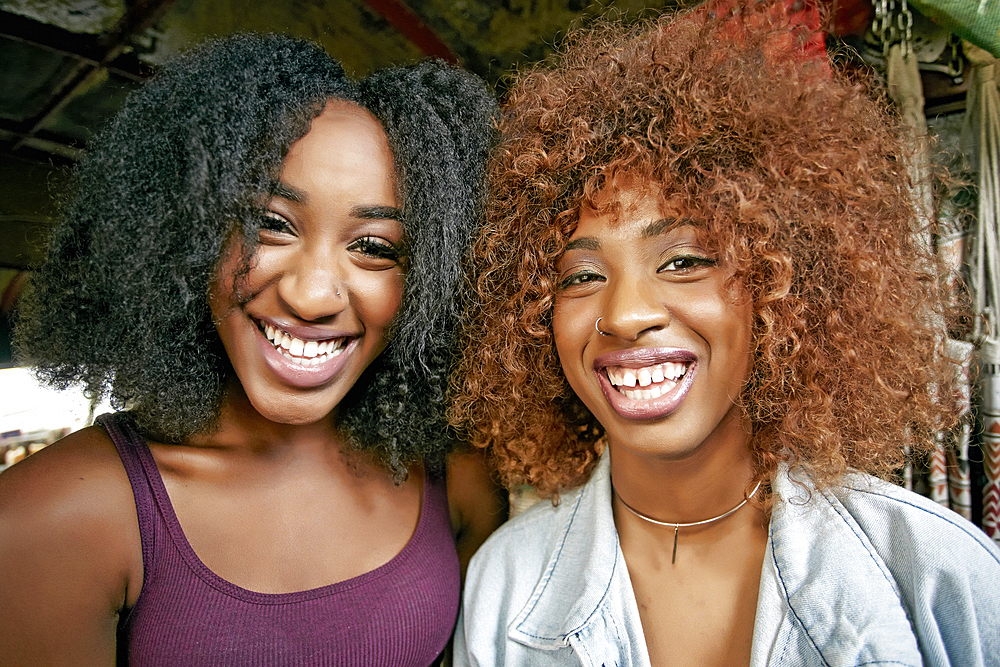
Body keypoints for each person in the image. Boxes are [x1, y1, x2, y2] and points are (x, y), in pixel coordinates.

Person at [450, 4, 1000, 666]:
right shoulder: (504, 589)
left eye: (684, 261)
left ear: (781, 285)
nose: (624, 314)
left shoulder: (939, 576)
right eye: (581, 275)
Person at [1, 33, 505, 665]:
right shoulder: (52, 518)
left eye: (375, 247)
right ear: (185, 232)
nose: (314, 294)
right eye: (270, 224)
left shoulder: (455, 477)